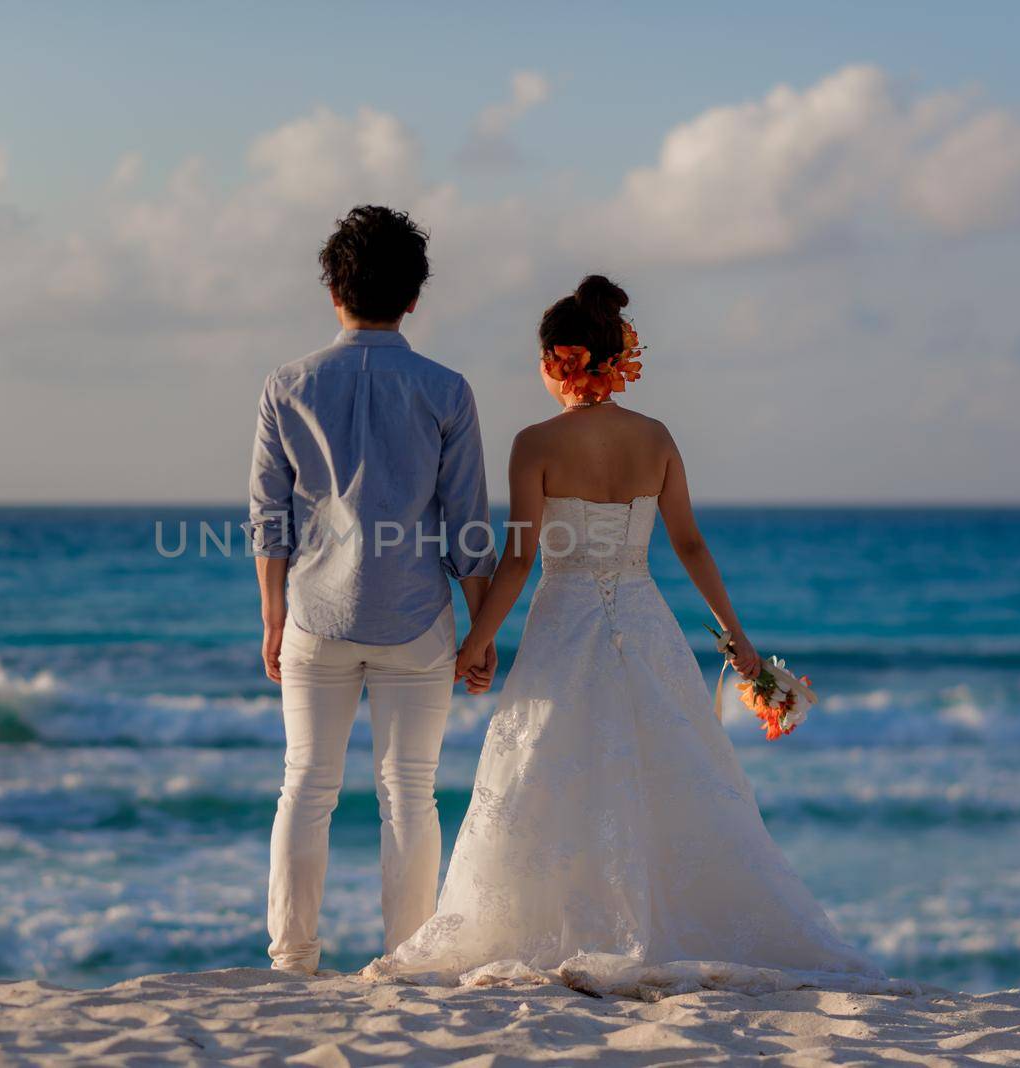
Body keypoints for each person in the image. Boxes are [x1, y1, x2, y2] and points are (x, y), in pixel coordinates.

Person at [366, 275, 882, 982]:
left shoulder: (535, 443)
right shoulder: (656, 438)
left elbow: (519, 557)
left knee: (545, 770)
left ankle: (571, 922)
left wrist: (477, 640)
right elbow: (691, 545)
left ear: (557, 362)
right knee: (667, 770)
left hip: (563, 623)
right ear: (617, 359)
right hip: (645, 622)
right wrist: (740, 638)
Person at [248, 205, 497, 974]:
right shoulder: (445, 389)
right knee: (409, 794)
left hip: (315, 618)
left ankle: (292, 959)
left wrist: (272, 617)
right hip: (418, 619)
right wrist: (482, 631)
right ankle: (407, 957)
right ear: (414, 296)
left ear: (334, 289)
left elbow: (268, 516)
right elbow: (469, 525)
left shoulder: (287, 385)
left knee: (306, 787)